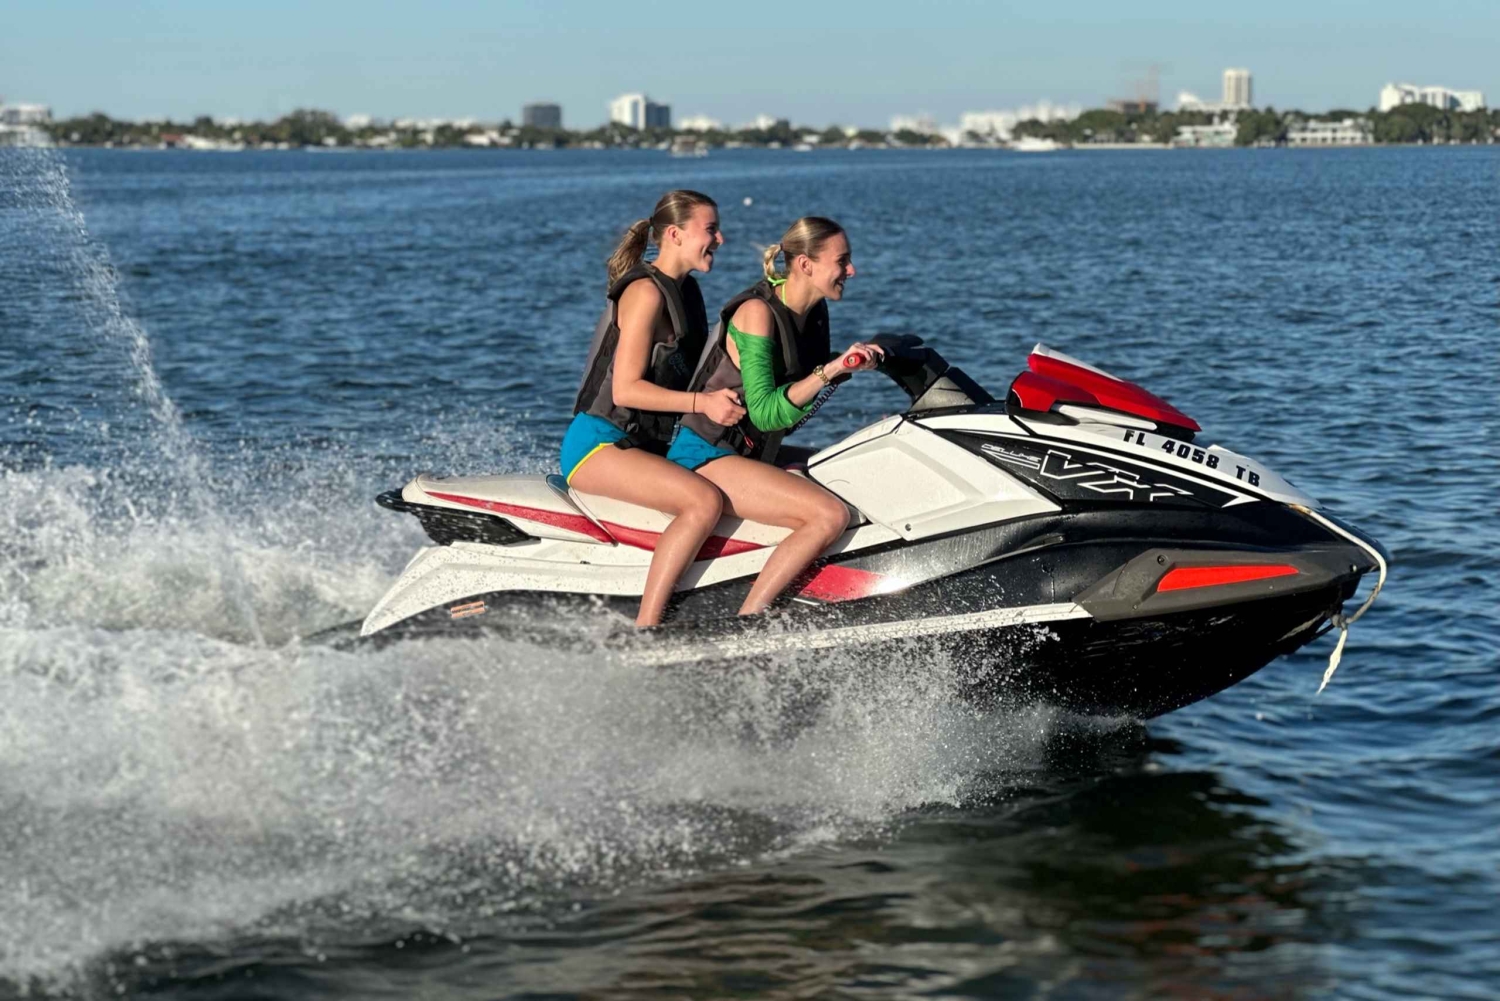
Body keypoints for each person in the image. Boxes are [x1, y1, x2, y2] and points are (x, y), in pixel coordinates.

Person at [675, 216, 884, 615]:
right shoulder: (757, 312)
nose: (852, 270)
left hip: (753, 454)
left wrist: (855, 363)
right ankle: (749, 618)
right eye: (842, 261)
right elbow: (768, 414)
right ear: (806, 264)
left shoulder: (815, 310)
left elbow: (805, 384)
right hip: (706, 455)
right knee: (828, 515)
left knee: (855, 466)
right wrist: (832, 370)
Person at [563, 190, 746, 625]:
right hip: (599, 445)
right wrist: (704, 402)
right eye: (711, 230)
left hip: (646, 446)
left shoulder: (689, 295)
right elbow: (625, 390)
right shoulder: (645, 293)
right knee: (702, 503)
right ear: (675, 234)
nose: (721, 240)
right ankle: (648, 627)